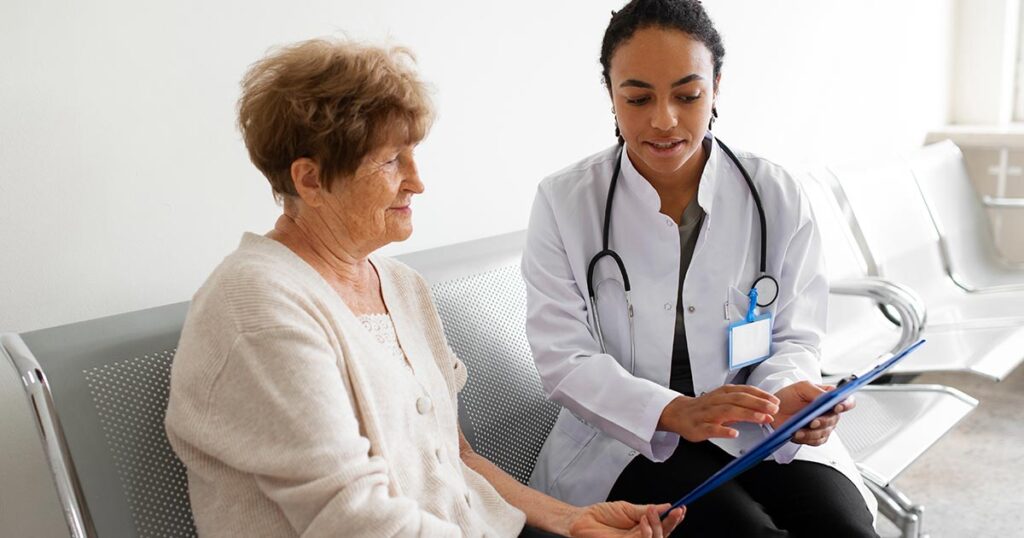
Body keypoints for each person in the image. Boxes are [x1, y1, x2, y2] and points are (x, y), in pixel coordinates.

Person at [164, 38, 684, 537]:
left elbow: (456, 459)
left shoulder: (399, 284)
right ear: (310, 180)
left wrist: (571, 519)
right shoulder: (257, 308)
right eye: (391, 160)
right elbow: (352, 520)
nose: (417, 181)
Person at [521, 1, 877, 536]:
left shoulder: (774, 194)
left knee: (842, 529)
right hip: (626, 437)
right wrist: (672, 411)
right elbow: (564, 358)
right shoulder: (565, 201)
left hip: (755, 425)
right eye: (637, 97)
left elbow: (794, 338)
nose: (663, 119)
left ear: (716, 87)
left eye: (687, 95)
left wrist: (786, 391)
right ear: (610, 94)